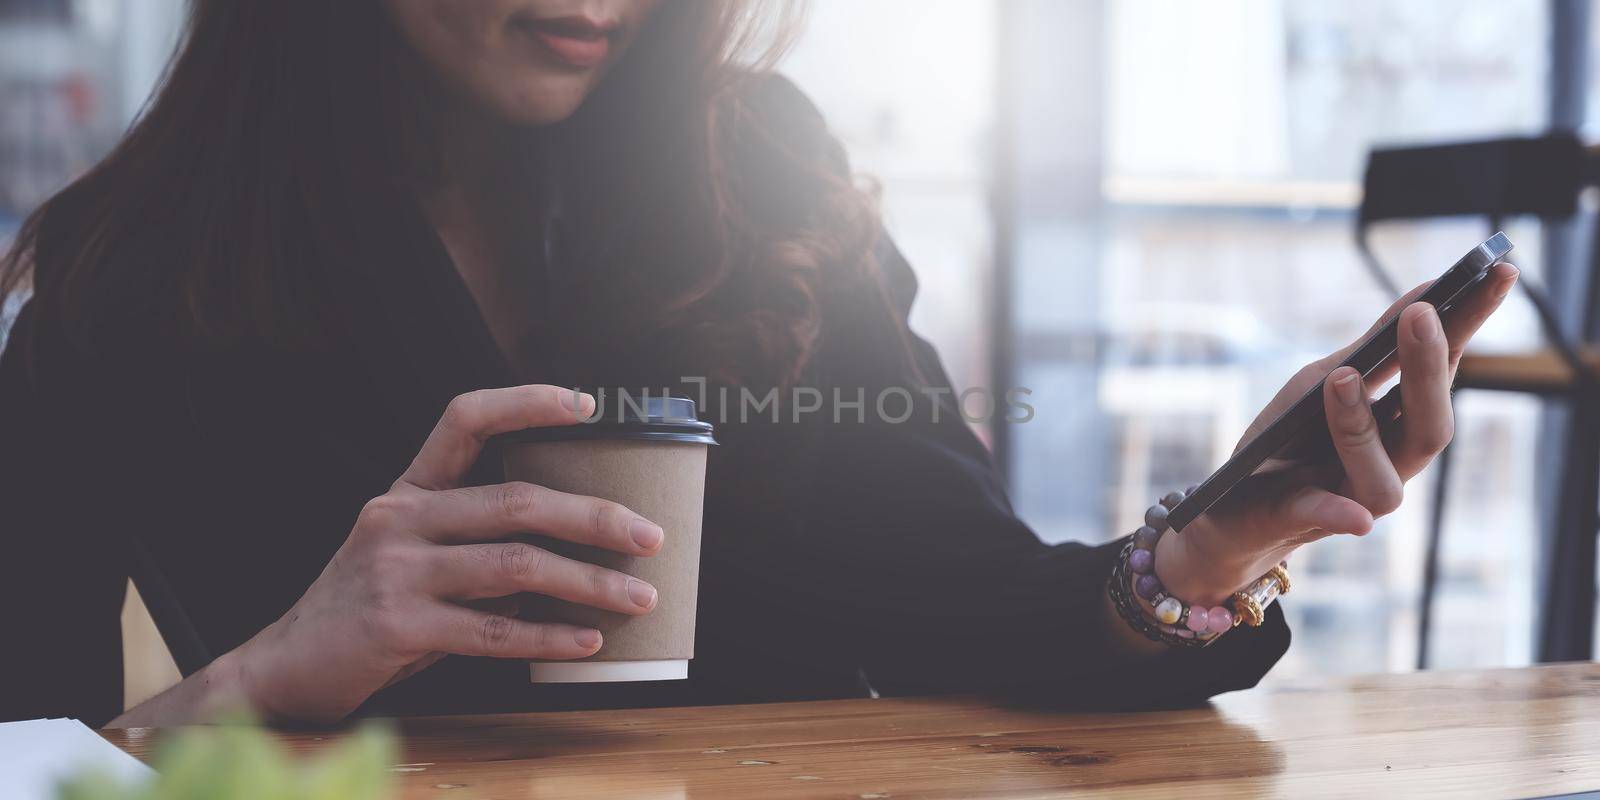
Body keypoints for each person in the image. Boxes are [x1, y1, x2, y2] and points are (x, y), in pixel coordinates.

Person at [0, 0, 1518, 728]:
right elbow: (30, 750)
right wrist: (262, 676)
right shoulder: (126, 280)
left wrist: (1203, 546)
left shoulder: (758, 178)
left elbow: (971, 602)